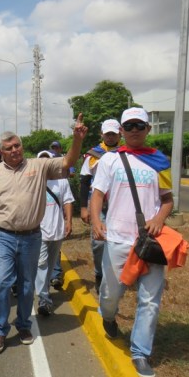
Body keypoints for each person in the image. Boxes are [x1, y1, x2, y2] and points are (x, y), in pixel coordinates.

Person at [0, 115, 87, 355]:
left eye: (17, 145)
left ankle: (24, 325)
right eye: (9, 148)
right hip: (3, 235)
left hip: (32, 236)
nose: (15, 150)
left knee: (26, 285)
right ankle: (0, 330)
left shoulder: (38, 165)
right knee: (2, 281)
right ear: (1, 152)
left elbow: (68, 162)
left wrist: (77, 139)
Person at [90, 107, 173, 377]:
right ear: (122, 131)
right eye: (130, 126)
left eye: (140, 125)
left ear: (148, 129)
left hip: (150, 242)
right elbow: (98, 194)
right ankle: (109, 316)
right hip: (117, 238)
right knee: (110, 294)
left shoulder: (159, 161)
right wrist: (96, 221)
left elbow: (167, 199)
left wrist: (160, 218)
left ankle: (140, 352)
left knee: (150, 301)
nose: (135, 130)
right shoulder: (110, 160)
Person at [79, 119, 121, 294]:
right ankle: (99, 274)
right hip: (98, 204)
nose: (110, 137)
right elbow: (84, 180)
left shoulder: (126, 154)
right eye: (107, 134)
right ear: (102, 134)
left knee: (119, 241)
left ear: (120, 134)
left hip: (119, 204)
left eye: (114, 133)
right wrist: (83, 207)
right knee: (98, 242)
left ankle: (116, 276)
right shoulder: (93, 155)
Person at [34, 151, 74, 317]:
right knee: (42, 264)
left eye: (47, 160)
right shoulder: (33, 181)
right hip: (39, 230)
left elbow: (67, 201)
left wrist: (69, 221)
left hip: (57, 229)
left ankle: (44, 290)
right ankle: (44, 299)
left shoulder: (62, 182)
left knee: (50, 265)